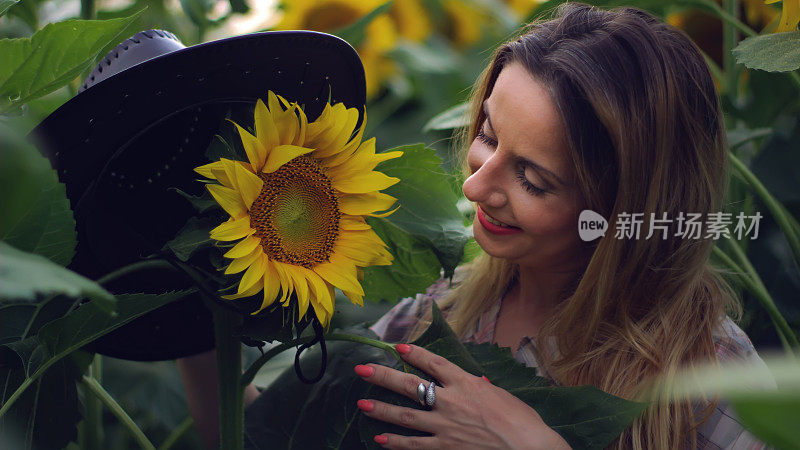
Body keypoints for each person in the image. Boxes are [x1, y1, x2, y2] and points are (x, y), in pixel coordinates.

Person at [179, 3, 774, 449]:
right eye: (487, 135)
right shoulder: (443, 308)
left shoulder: (708, 376)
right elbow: (270, 436)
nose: (474, 187)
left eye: (533, 180)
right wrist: (194, 324)